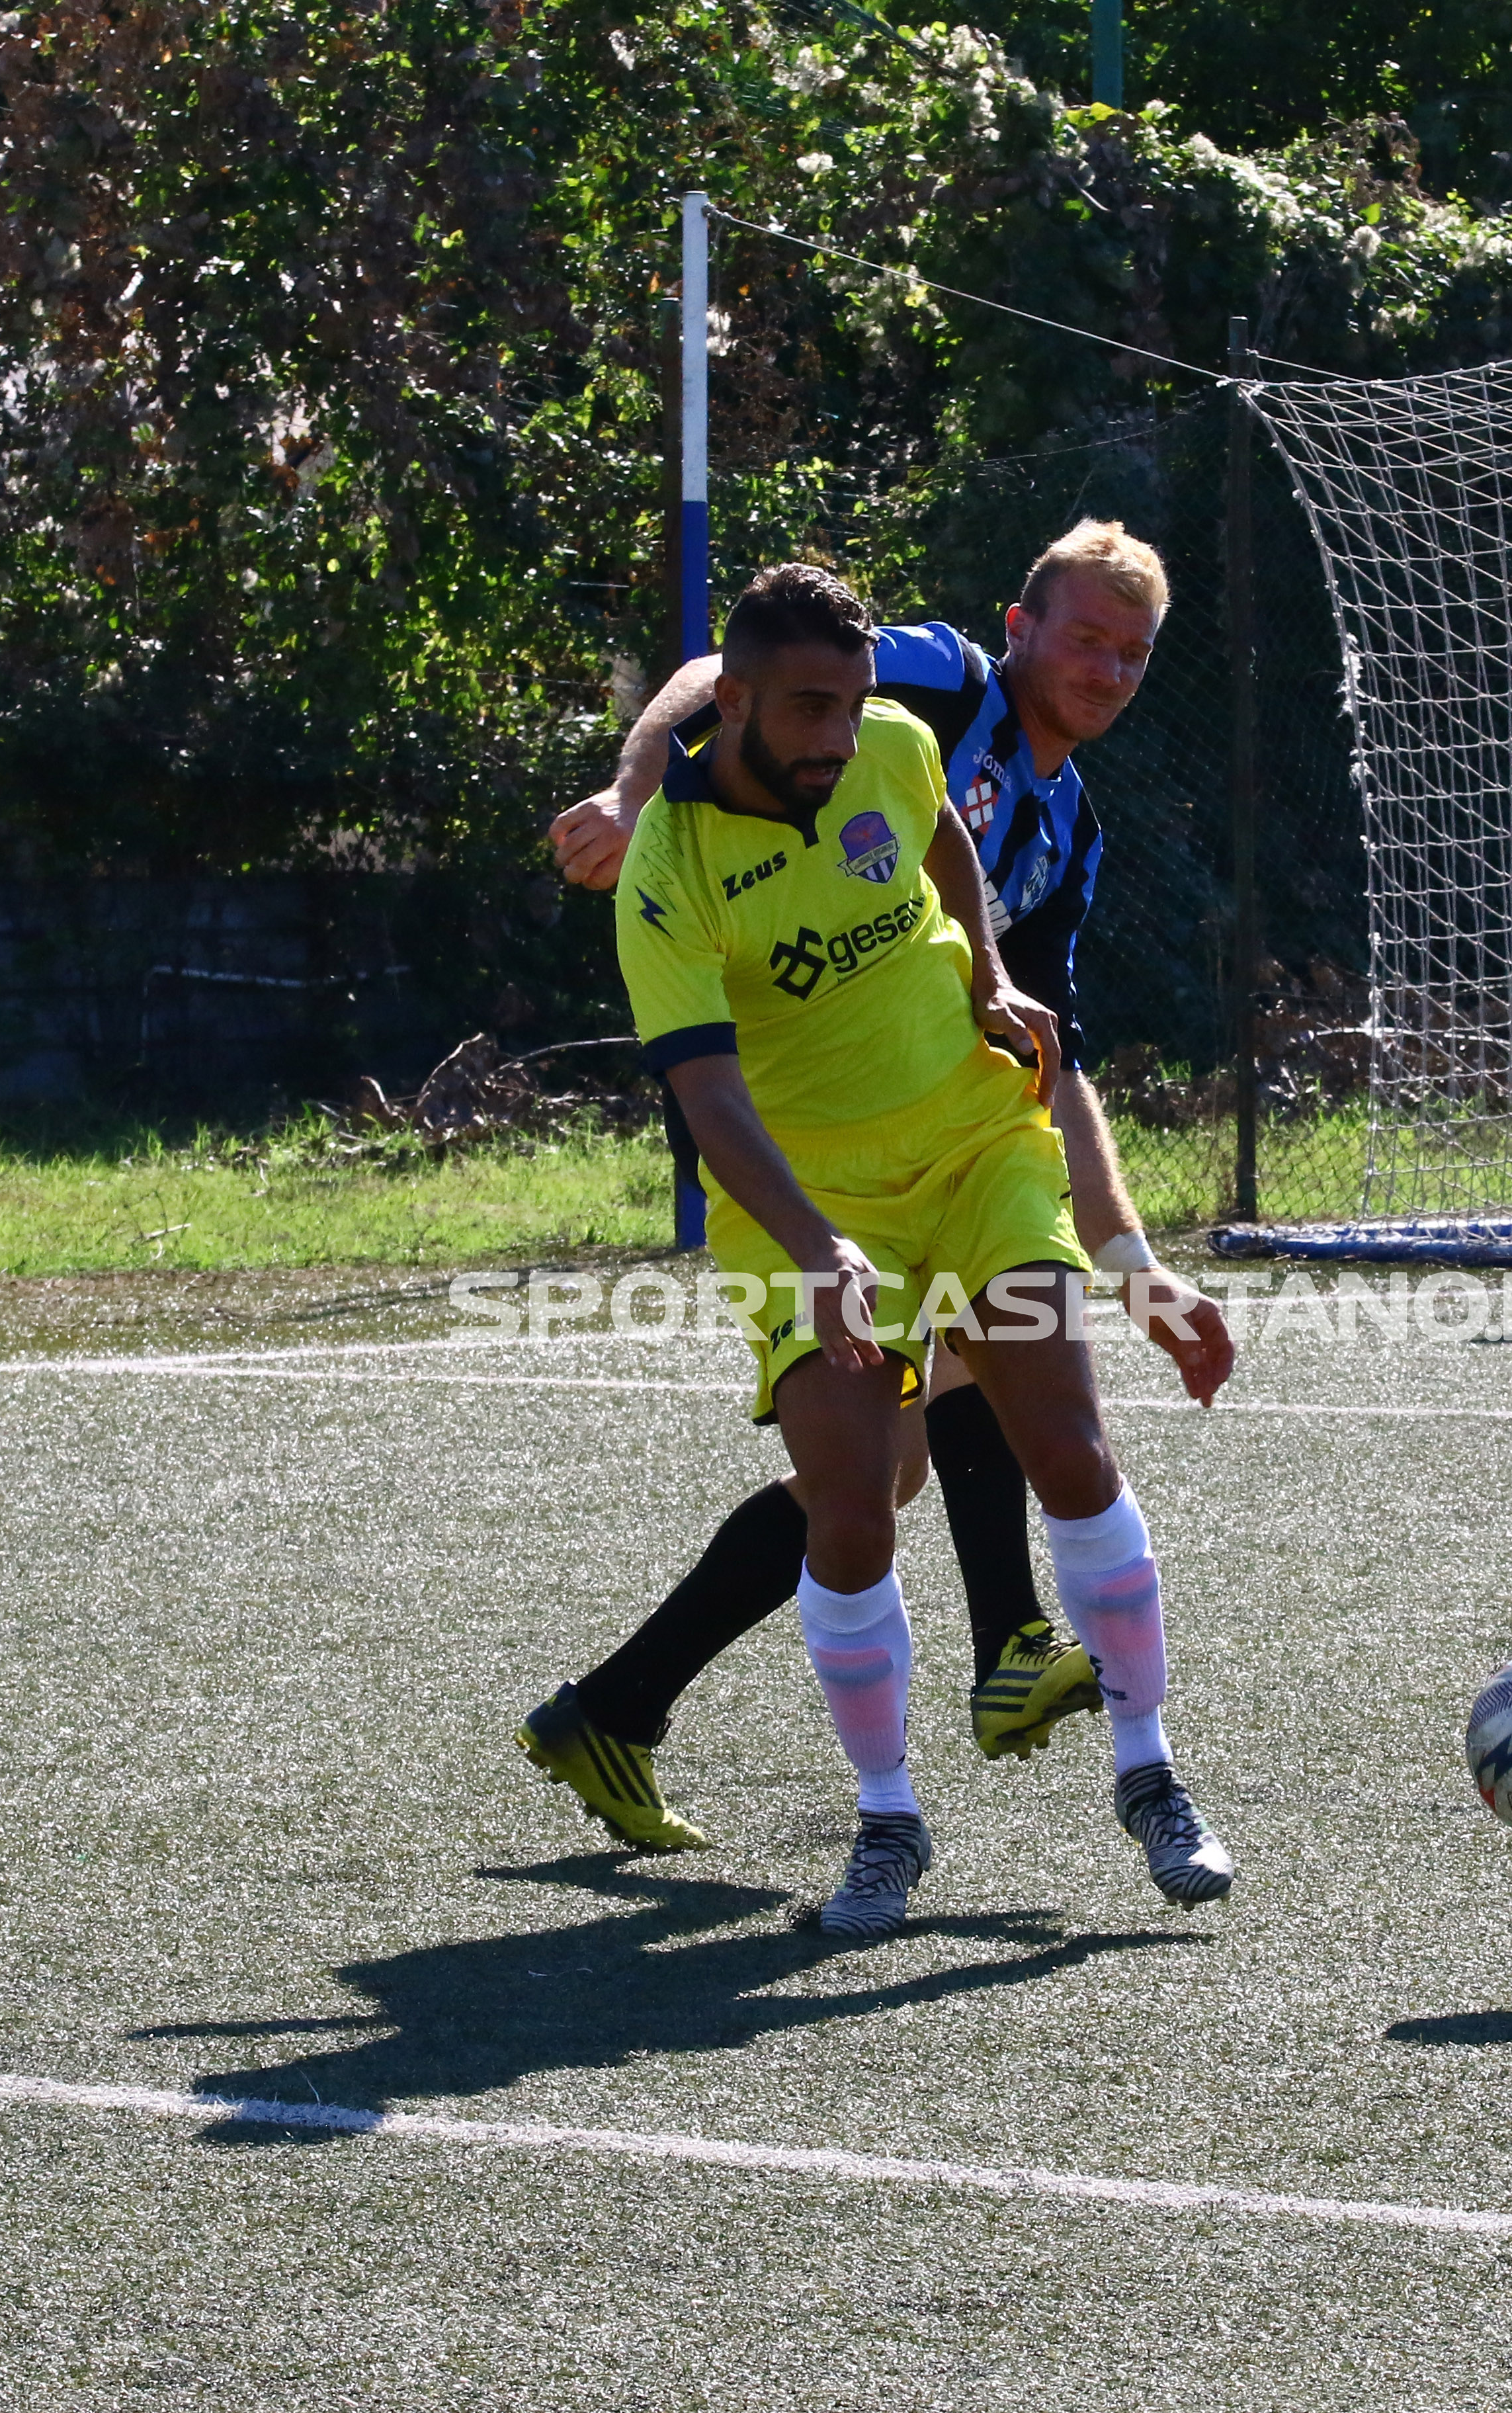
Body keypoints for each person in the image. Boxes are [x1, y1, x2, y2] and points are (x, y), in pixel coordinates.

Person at [519, 523, 1236, 1853]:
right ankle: (994, 1650)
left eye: (1134, 654)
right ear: (1021, 626)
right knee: (866, 1485)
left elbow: (1041, 1049)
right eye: (1085, 637)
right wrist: (631, 795)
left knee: (896, 1466)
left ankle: (633, 1703)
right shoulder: (938, 686)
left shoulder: (1057, 827)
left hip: (963, 1143)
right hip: (818, 1167)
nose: (1108, 670)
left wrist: (1135, 1262)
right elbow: (703, 672)